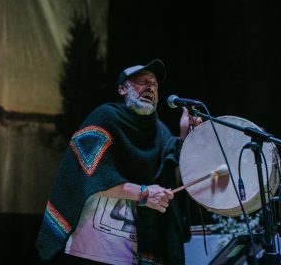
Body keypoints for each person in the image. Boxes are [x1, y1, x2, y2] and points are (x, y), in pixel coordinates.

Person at [36, 59, 202, 265]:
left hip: (135, 253)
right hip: (93, 249)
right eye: (142, 81)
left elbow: (171, 178)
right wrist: (143, 193)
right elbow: (87, 176)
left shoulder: (161, 132)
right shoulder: (105, 117)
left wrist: (187, 138)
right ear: (122, 89)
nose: (151, 86)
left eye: (155, 85)